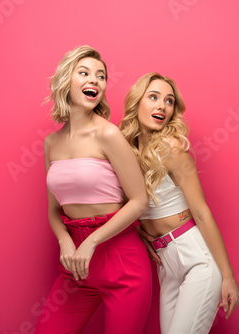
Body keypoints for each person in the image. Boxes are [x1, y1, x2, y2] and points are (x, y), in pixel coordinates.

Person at [35, 46, 151, 334]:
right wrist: (65, 241)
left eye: (101, 76)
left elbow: (139, 201)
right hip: (76, 265)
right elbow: (53, 209)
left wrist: (92, 242)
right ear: (66, 80)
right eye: (84, 73)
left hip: (121, 260)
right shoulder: (51, 143)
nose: (95, 81)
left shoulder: (107, 134)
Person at [119, 72, 239, 334]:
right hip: (165, 264)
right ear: (136, 101)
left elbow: (202, 212)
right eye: (153, 97)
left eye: (169, 101)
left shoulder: (172, 149)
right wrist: (140, 233)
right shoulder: (124, 151)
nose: (162, 106)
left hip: (196, 259)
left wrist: (228, 276)